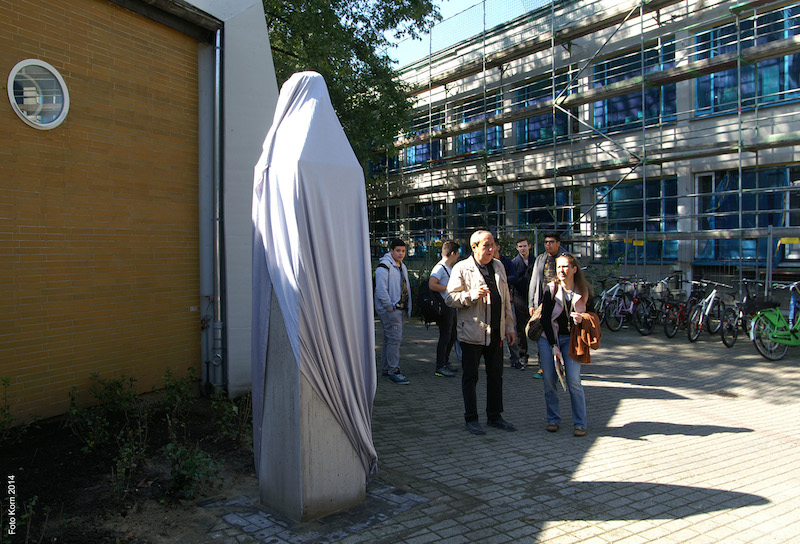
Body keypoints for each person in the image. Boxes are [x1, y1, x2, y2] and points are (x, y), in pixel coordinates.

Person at [445, 230, 517, 435]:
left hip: (496, 332)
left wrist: (510, 327)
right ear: (474, 247)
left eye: (492, 244)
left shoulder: (499, 266)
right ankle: (471, 418)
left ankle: (495, 416)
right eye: (486, 245)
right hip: (472, 333)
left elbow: (505, 299)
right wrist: (471, 295)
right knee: (471, 377)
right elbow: (449, 298)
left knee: (496, 375)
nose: (491, 249)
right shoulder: (462, 268)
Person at [538, 253, 593, 437]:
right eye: (559, 267)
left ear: (574, 269)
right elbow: (545, 319)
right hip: (549, 338)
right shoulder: (551, 289)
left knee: (573, 381)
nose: (562, 270)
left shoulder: (584, 290)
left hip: (572, 340)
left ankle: (580, 423)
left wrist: (582, 318)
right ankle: (553, 419)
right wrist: (553, 345)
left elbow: (594, 315)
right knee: (549, 380)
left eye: (565, 266)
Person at [528, 231, 569, 379]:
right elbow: (534, 281)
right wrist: (531, 303)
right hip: (543, 303)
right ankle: (543, 367)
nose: (548, 245)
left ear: (558, 243)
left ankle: (562, 367)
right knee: (542, 333)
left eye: (551, 242)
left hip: (561, 303)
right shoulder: (541, 259)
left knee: (560, 335)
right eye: (546, 242)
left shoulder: (566, 259)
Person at [374, 239, 411, 384]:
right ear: (391, 251)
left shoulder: (401, 266)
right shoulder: (384, 267)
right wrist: (389, 306)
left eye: (403, 251)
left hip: (399, 309)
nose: (401, 253)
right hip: (392, 309)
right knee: (394, 339)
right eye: (398, 251)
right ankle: (393, 370)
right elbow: (380, 290)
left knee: (390, 339)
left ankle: (387, 368)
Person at [429, 241, 460, 377]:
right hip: (444, 307)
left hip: (451, 306)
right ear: (452, 253)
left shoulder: (448, 267)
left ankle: (445, 362)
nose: (458, 256)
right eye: (457, 253)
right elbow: (432, 284)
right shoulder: (439, 268)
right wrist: (449, 288)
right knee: (445, 336)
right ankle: (440, 366)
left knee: (452, 335)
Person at [493, 244, 521, 369]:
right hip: (490, 302)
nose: (490, 249)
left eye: (492, 246)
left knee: (511, 328)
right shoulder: (483, 264)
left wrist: (502, 282)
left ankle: (515, 358)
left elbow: (514, 277)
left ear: (498, 247)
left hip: (506, 300)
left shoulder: (506, 262)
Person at [511, 237, 534, 370]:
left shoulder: (535, 261)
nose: (522, 249)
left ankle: (542, 356)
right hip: (519, 297)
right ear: (517, 248)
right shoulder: (514, 263)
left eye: (524, 246)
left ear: (529, 246)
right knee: (520, 327)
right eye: (520, 246)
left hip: (534, 297)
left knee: (537, 325)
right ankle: (522, 355)